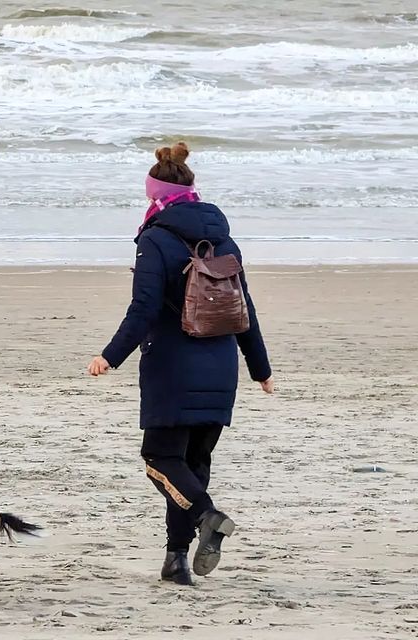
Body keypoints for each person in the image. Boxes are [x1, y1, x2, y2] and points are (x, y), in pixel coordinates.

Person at [87, 142, 274, 586]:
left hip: (174, 368)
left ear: (154, 195)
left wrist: (109, 356)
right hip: (221, 367)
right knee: (191, 466)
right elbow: (244, 307)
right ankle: (176, 561)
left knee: (159, 459)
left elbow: (145, 308)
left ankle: (208, 517)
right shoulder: (225, 239)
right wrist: (260, 368)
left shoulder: (155, 238)